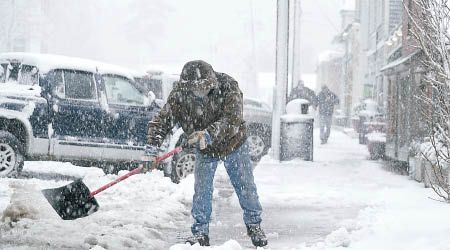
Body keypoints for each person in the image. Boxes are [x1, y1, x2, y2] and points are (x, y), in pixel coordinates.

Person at [141, 60, 268, 247]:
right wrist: (151, 149)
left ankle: (254, 225)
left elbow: (232, 119)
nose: (199, 92)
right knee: (202, 190)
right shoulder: (179, 95)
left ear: (211, 82)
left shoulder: (228, 86)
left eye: (203, 87)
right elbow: (162, 120)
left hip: (234, 143)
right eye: (195, 88)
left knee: (245, 186)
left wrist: (209, 133)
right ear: (187, 86)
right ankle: (200, 232)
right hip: (206, 149)